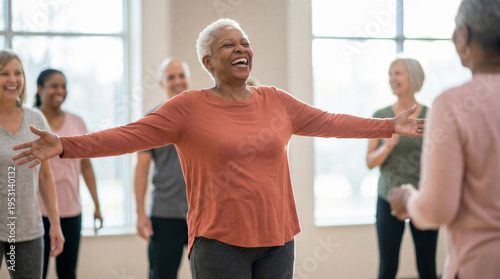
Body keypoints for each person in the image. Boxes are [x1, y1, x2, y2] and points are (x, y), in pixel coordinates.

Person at [12, 18, 424, 278]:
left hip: (278, 241)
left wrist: (389, 124)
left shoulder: (276, 100)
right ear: (208, 62)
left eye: (244, 42)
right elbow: (128, 135)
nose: (241, 48)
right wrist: (64, 145)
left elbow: (330, 122)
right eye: (229, 45)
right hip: (218, 244)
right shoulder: (187, 107)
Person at [389, 0, 500, 278]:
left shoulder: (453, 104)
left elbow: (437, 210)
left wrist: (408, 198)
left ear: (463, 36)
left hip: (481, 265)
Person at [366, 58, 437, 279]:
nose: (392, 79)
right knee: (387, 268)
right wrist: (387, 147)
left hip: (424, 199)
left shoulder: (433, 115)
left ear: (413, 78)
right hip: (388, 198)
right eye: (390, 74)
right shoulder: (381, 116)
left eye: (398, 74)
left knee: (427, 267)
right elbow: (369, 162)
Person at [0, 50, 64, 278]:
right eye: (4, 73)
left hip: (28, 231)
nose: (12, 80)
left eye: (18, 73)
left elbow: (45, 176)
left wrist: (55, 224)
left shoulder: (35, 119)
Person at [34, 68, 103, 279]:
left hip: (72, 213)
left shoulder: (77, 122)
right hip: (38, 214)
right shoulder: (30, 120)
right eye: (54, 85)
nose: (60, 91)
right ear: (39, 89)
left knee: (68, 273)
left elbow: (86, 167)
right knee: (36, 273)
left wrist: (97, 206)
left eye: (63, 86)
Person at [134, 58, 190, 279]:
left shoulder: (204, 115)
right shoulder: (152, 120)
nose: (177, 81)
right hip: (165, 215)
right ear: (161, 83)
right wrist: (140, 213)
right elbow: (141, 169)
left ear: (189, 78)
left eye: (181, 76)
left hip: (204, 214)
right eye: (171, 77)